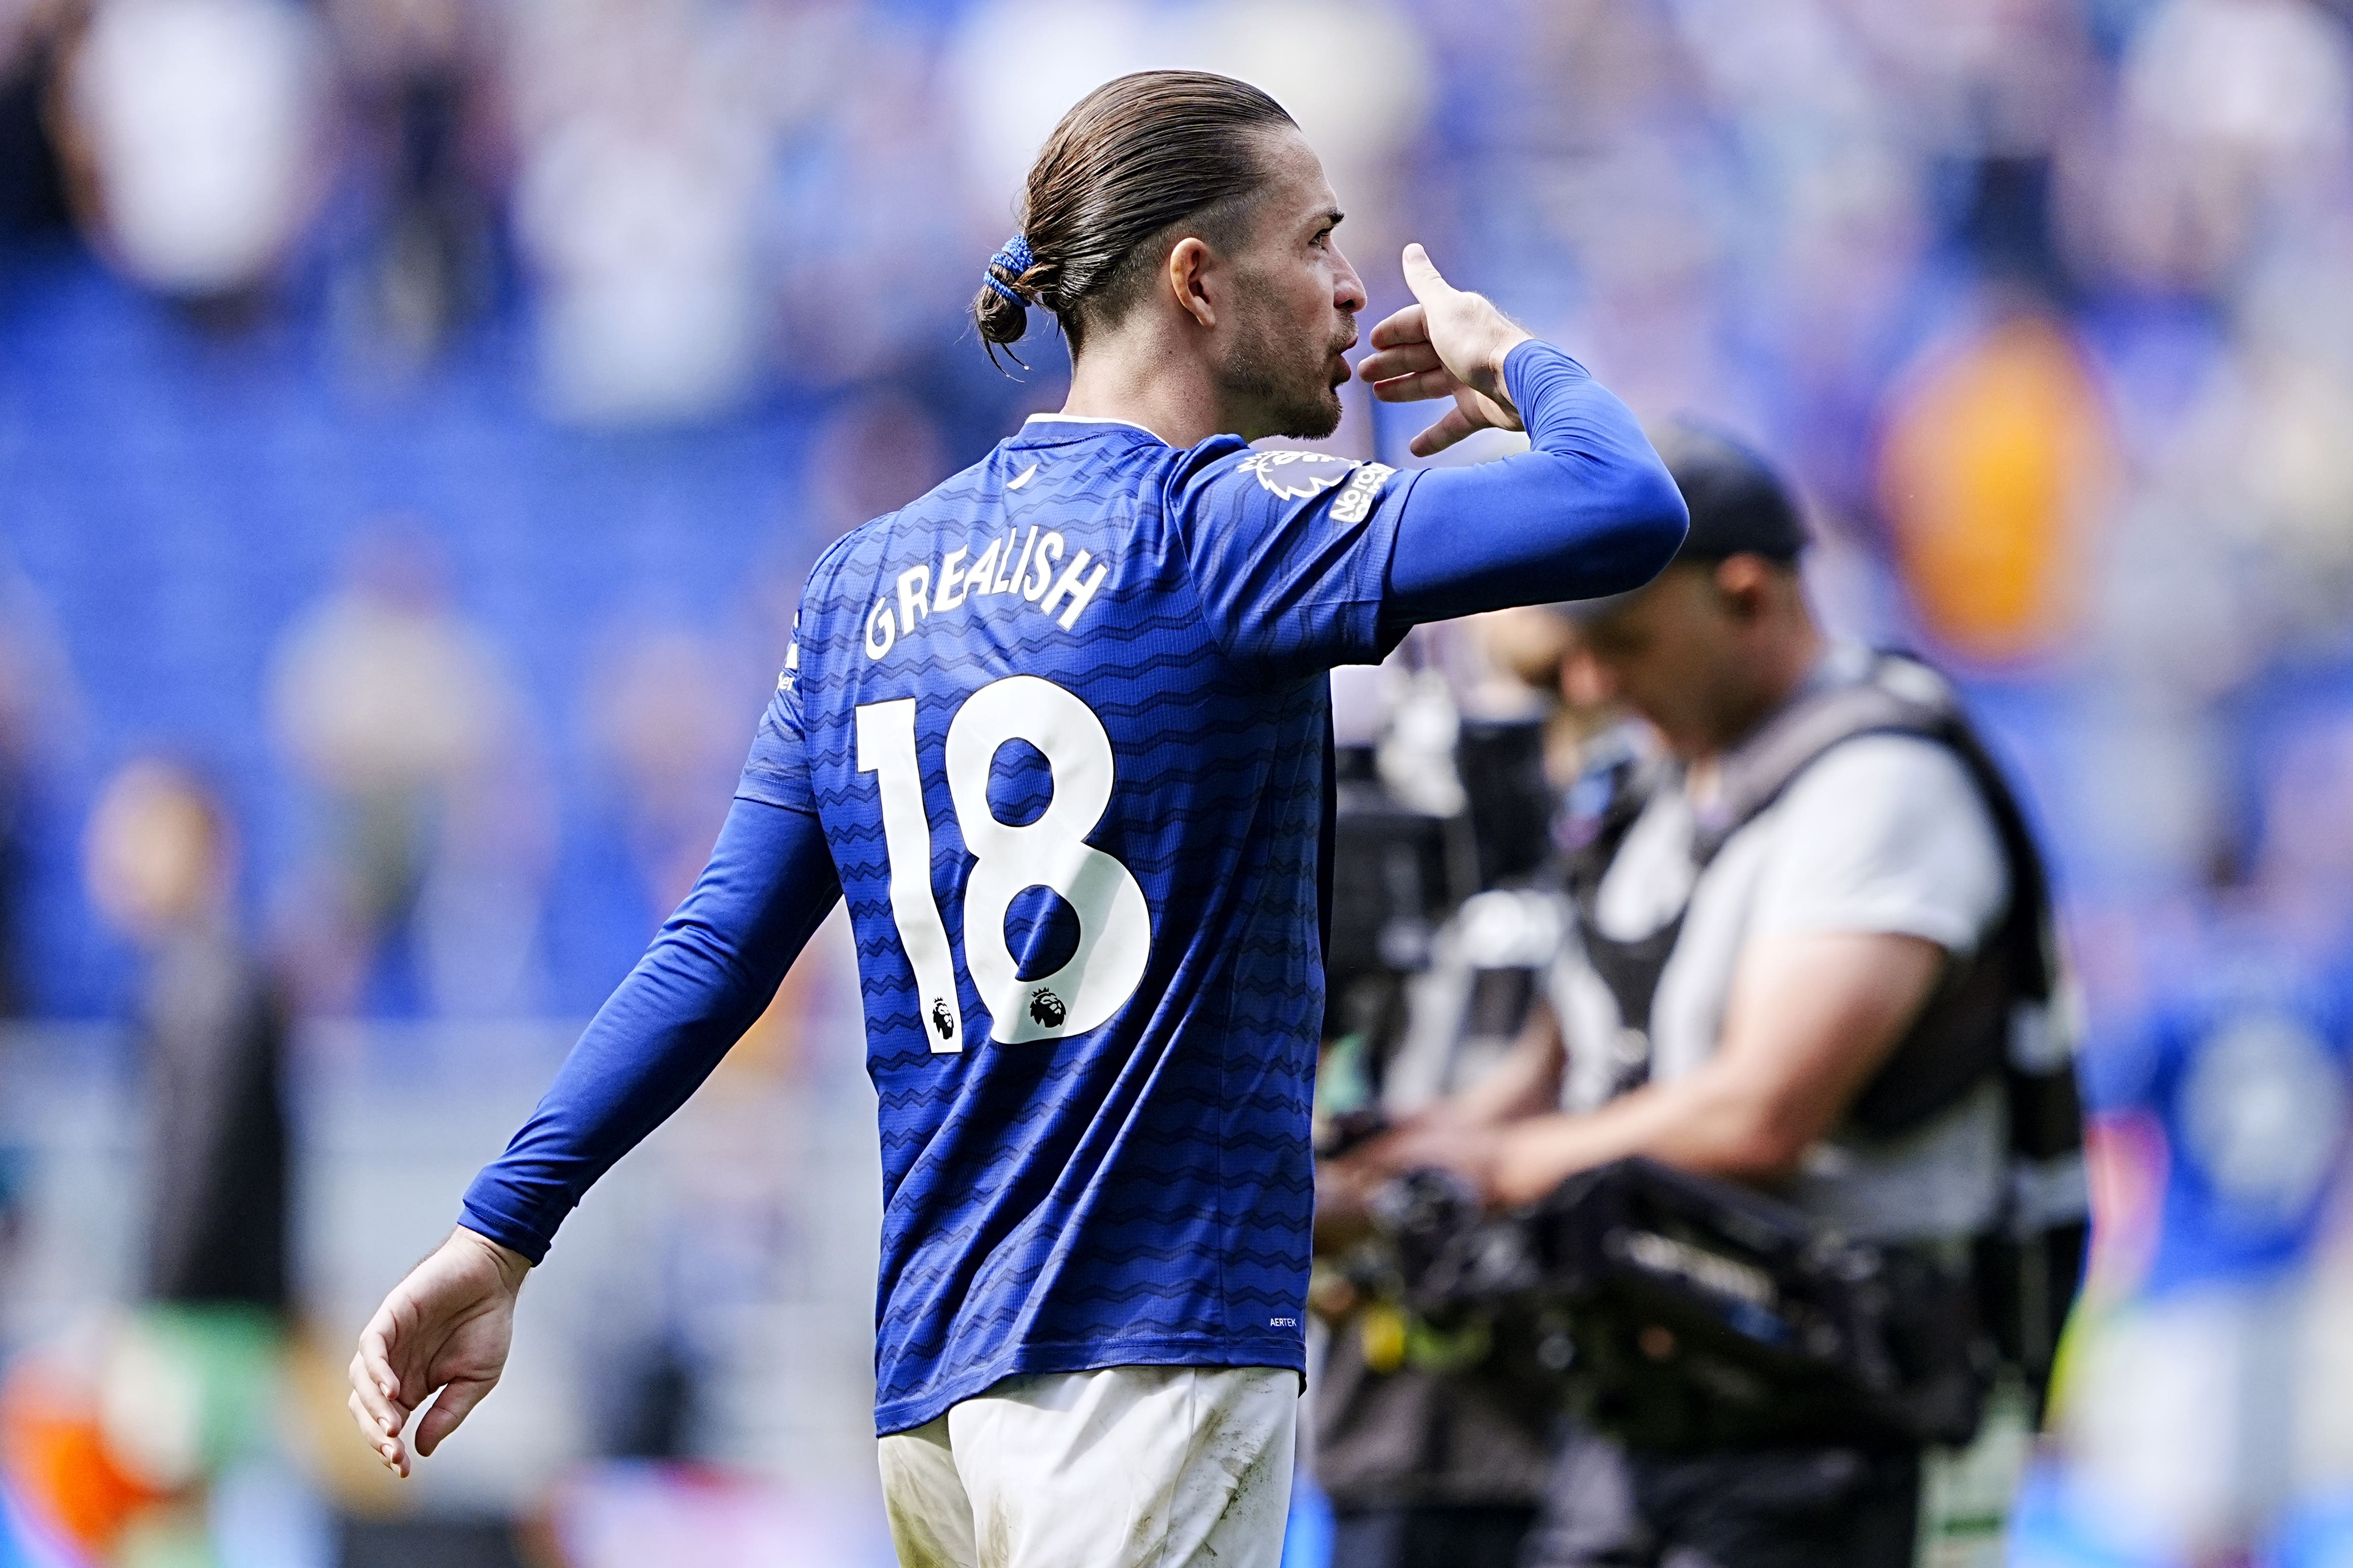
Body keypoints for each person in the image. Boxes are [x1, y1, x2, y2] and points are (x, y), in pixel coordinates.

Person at [345, 69, 1687, 1568]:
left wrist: (498, 1230)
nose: (1351, 285)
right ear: (1195, 278)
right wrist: (1514, 359)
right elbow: (1626, 502)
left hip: (937, 1400)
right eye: (1315, 240)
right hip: (1150, 1362)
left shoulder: (860, 583)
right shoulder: (1220, 522)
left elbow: (713, 951)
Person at [1324, 424, 2079, 1568]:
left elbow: (1758, 1114)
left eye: (1624, 640)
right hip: (1648, 1418)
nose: (1593, 683)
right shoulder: (1660, 790)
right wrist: (1379, 1165)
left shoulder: (1879, 780)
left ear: (1747, 595)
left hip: (1847, 1425)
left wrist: (1494, 1171)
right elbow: (1554, 1079)